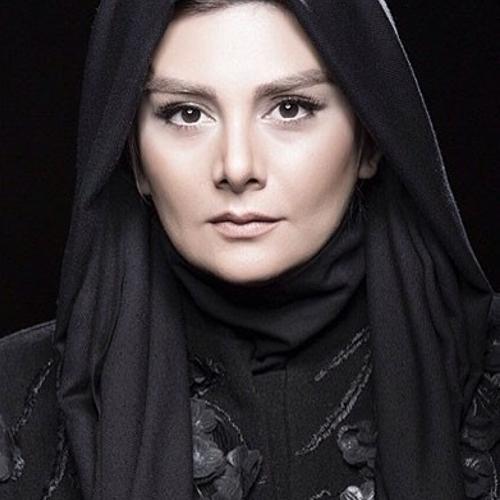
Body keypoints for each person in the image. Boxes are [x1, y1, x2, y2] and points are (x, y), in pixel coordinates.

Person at [0, 0, 498, 499]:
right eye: (187, 113)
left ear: (370, 138)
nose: (237, 168)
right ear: (133, 152)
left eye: (290, 108)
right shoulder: (12, 398)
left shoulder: (485, 375)